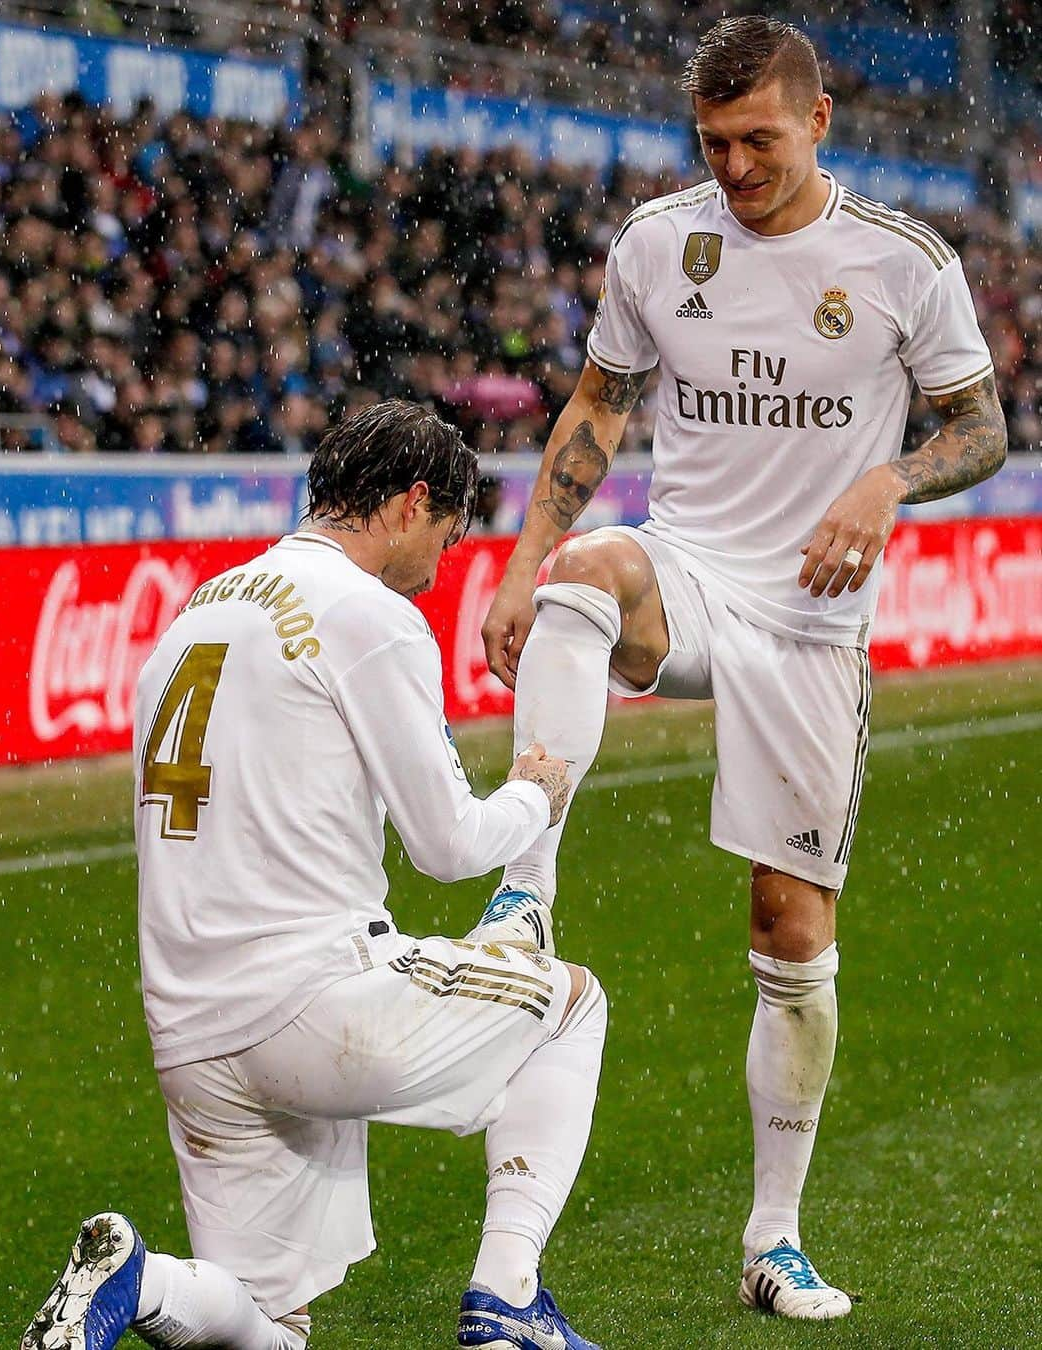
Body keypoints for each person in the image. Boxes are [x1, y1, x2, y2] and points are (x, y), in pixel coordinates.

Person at [470, 14, 1007, 1322]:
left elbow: (982, 427)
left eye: (758, 140)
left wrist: (890, 478)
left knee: (792, 932)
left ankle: (775, 1238)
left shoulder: (902, 264)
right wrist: (520, 556)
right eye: (713, 142)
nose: (735, 167)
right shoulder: (662, 242)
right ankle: (520, 893)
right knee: (587, 575)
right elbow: (598, 403)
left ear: (820, 122)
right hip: (691, 569)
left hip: (814, 623)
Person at [22, 400, 607, 1350]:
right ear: (414, 501)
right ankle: (506, 1296)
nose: (440, 566)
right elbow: (449, 845)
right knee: (572, 1008)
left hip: (187, 1025)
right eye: (449, 538)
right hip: (311, 1003)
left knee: (272, 1331)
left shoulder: (194, 612)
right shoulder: (368, 613)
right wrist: (537, 792)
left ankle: (146, 1280)